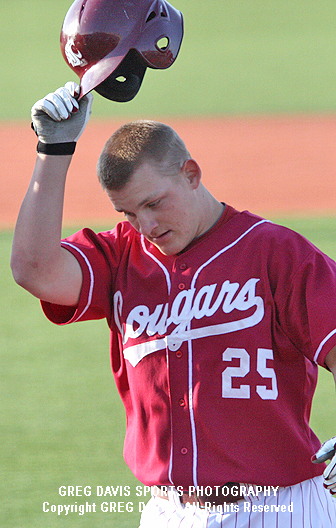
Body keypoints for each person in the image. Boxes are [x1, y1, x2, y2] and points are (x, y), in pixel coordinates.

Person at [11, 82, 336, 528]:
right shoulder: (120, 257)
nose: (145, 225)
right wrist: (54, 148)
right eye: (128, 213)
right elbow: (34, 269)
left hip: (278, 507)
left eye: (154, 203)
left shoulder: (275, 252)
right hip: (169, 511)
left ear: (191, 173)